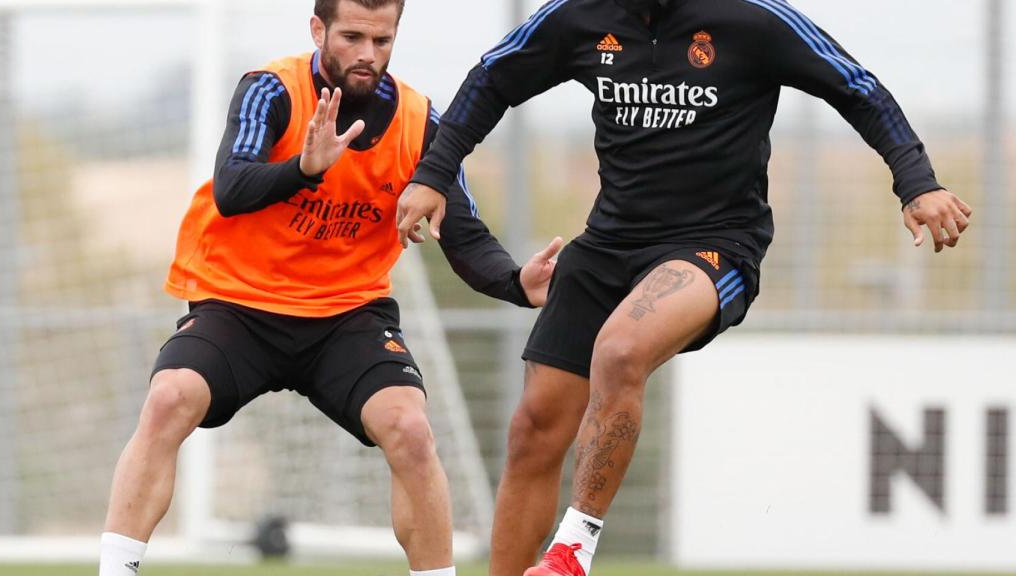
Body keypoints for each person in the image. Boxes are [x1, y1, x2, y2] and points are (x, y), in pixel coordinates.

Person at [396, 0, 972, 575]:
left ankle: (572, 550)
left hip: (715, 246)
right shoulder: (577, 16)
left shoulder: (754, 17)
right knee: (533, 430)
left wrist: (915, 181)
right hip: (606, 245)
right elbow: (493, 78)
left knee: (621, 349)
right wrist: (433, 175)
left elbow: (855, 85)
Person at [97, 1, 562, 575]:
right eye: (352, 37)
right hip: (239, 304)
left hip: (348, 315)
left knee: (411, 429)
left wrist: (518, 282)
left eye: (382, 40)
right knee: (169, 398)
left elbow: (463, 233)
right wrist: (304, 169)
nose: (367, 54)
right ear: (318, 29)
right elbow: (232, 187)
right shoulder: (271, 91)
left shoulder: (420, 121)